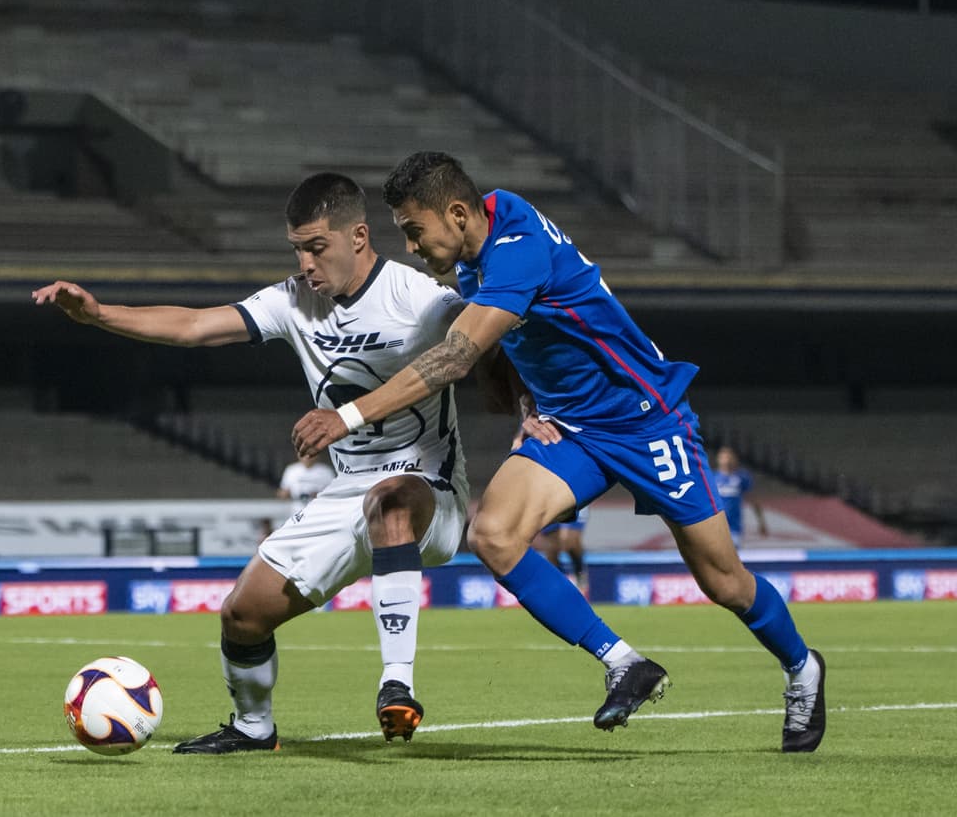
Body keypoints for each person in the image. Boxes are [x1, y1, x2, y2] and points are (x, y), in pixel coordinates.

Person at [292, 152, 826, 753]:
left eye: (414, 230)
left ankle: (802, 667)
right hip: (573, 431)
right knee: (492, 534)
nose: (412, 247)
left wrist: (349, 414)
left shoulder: (517, 248)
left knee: (724, 581)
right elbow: (519, 341)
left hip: (646, 422)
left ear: (458, 214)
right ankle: (624, 662)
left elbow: (458, 356)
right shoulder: (478, 255)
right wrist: (527, 405)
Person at [33, 172, 470, 752]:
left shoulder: (419, 298)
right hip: (350, 492)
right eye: (297, 248)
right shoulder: (294, 300)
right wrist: (98, 315)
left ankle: (398, 687)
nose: (307, 263)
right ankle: (252, 728)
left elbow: (494, 342)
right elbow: (193, 325)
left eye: (318, 247)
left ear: (359, 236)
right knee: (242, 614)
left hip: (428, 488)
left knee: (388, 500)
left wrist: (529, 412)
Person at [713, 446, 768, 550]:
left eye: (729, 457)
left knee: (732, 558)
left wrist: (761, 522)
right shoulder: (712, 477)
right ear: (718, 459)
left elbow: (754, 501)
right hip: (716, 528)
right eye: (723, 457)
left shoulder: (742, 477)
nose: (727, 460)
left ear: (735, 459)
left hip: (734, 528)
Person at [537, 504, 590, 593]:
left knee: (570, 540)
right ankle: (557, 584)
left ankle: (579, 571)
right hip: (551, 502)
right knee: (552, 548)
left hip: (574, 501)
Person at [276, 451, 336, 515]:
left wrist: (319, 494)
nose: (307, 457)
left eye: (310, 454)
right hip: (296, 511)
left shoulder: (326, 471)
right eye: (304, 454)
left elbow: (334, 492)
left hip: (319, 511)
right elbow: (282, 492)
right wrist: (285, 494)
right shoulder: (291, 470)